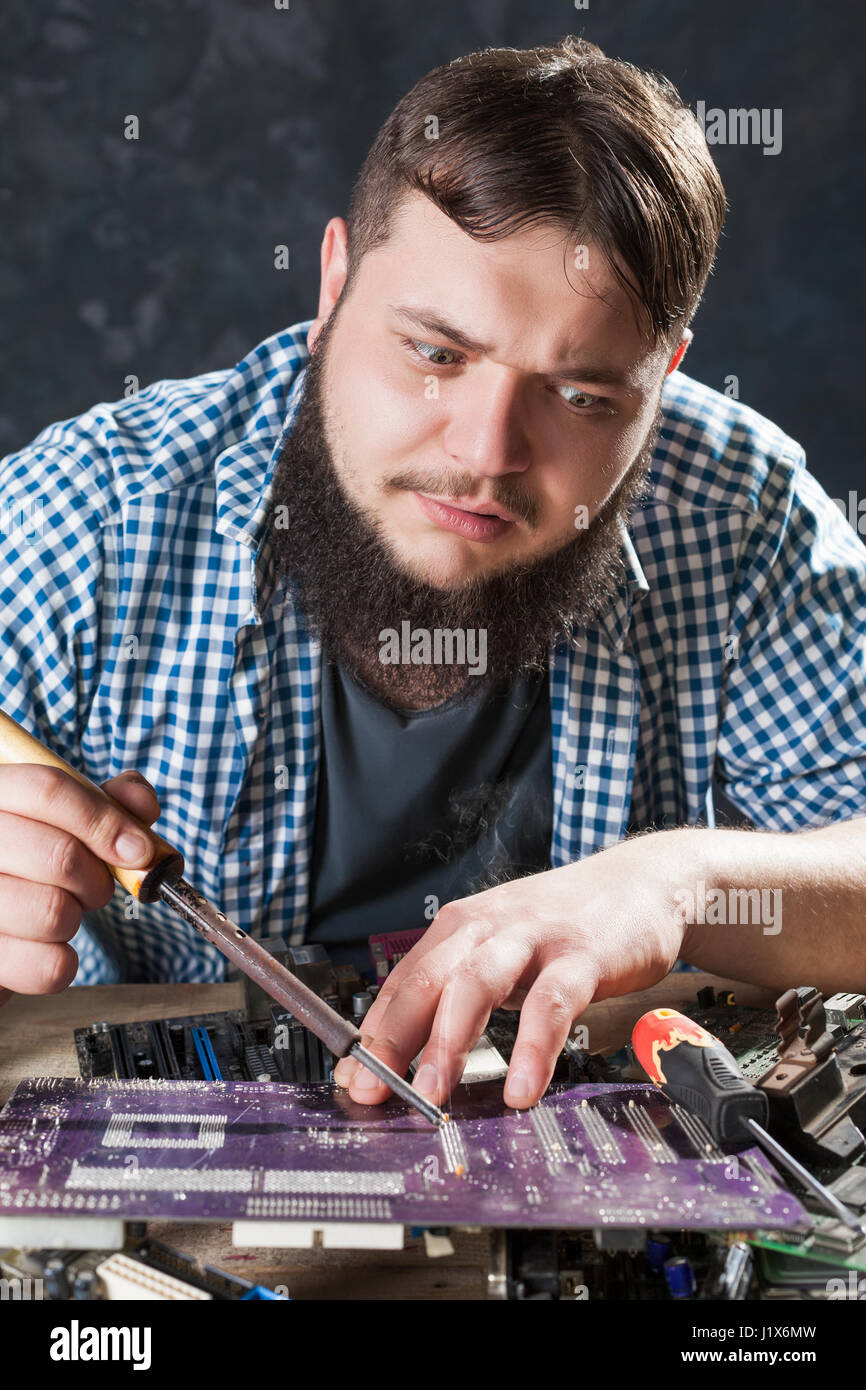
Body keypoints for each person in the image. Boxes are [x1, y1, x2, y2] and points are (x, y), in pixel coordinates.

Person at [1, 38, 864, 1114]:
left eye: (581, 396)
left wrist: (673, 885)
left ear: (664, 377)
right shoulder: (84, 523)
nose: (487, 451)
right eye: (435, 353)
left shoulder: (741, 516)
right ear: (332, 285)